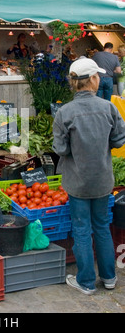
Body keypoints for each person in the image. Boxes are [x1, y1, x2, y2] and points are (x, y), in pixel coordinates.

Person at [52, 57, 125, 295]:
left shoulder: (64, 112)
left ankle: (85, 282)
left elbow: (61, 149)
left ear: (74, 83)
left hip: (77, 182)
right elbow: (118, 140)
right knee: (102, 227)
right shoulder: (109, 107)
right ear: (93, 80)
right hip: (103, 180)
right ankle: (109, 277)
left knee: (82, 230)